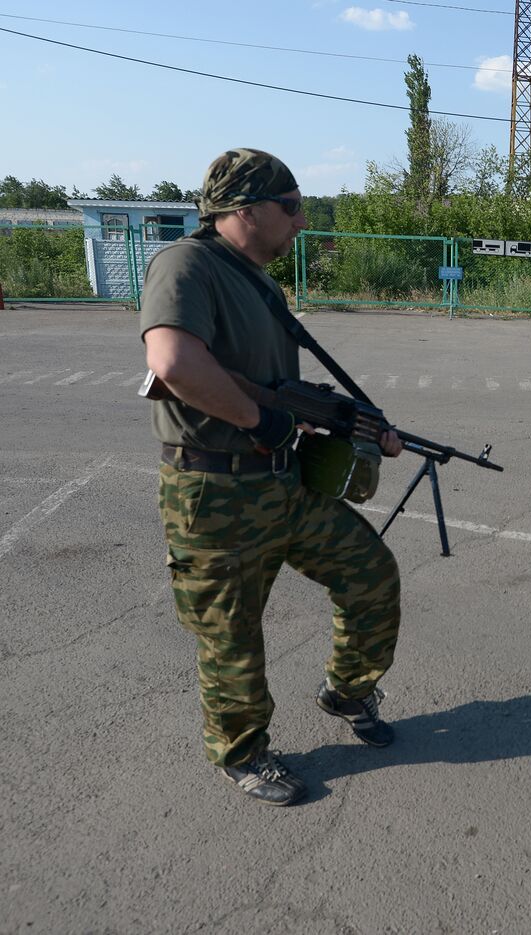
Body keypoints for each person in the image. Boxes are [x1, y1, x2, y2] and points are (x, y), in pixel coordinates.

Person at [141, 149, 405, 806]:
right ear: (245, 209)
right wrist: (263, 422)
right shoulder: (187, 265)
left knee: (369, 573)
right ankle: (242, 752)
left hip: (282, 485)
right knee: (230, 630)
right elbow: (172, 361)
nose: (300, 219)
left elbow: (274, 383)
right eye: (290, 206)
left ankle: (347, 690)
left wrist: (346, 420)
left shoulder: (257, 279)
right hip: (215, 491)